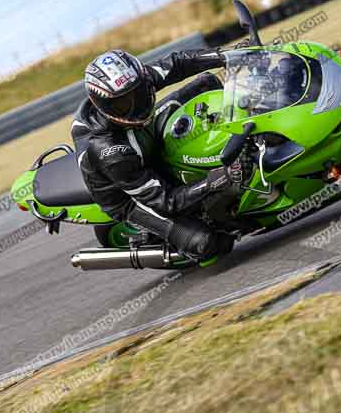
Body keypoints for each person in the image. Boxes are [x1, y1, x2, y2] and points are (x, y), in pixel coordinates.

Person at [71, 48, 239, 263]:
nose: (137, 106)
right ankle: (178, 241)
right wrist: (210, 183)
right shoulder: (109, 152)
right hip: (129, 196)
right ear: (104, 106)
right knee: (208, 243)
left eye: (140, 93)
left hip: (140, 134)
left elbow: (178, 62)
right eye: (124, 104)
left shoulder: (133, 81)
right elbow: (166, 201)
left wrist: (225, 56)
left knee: (207, 84)